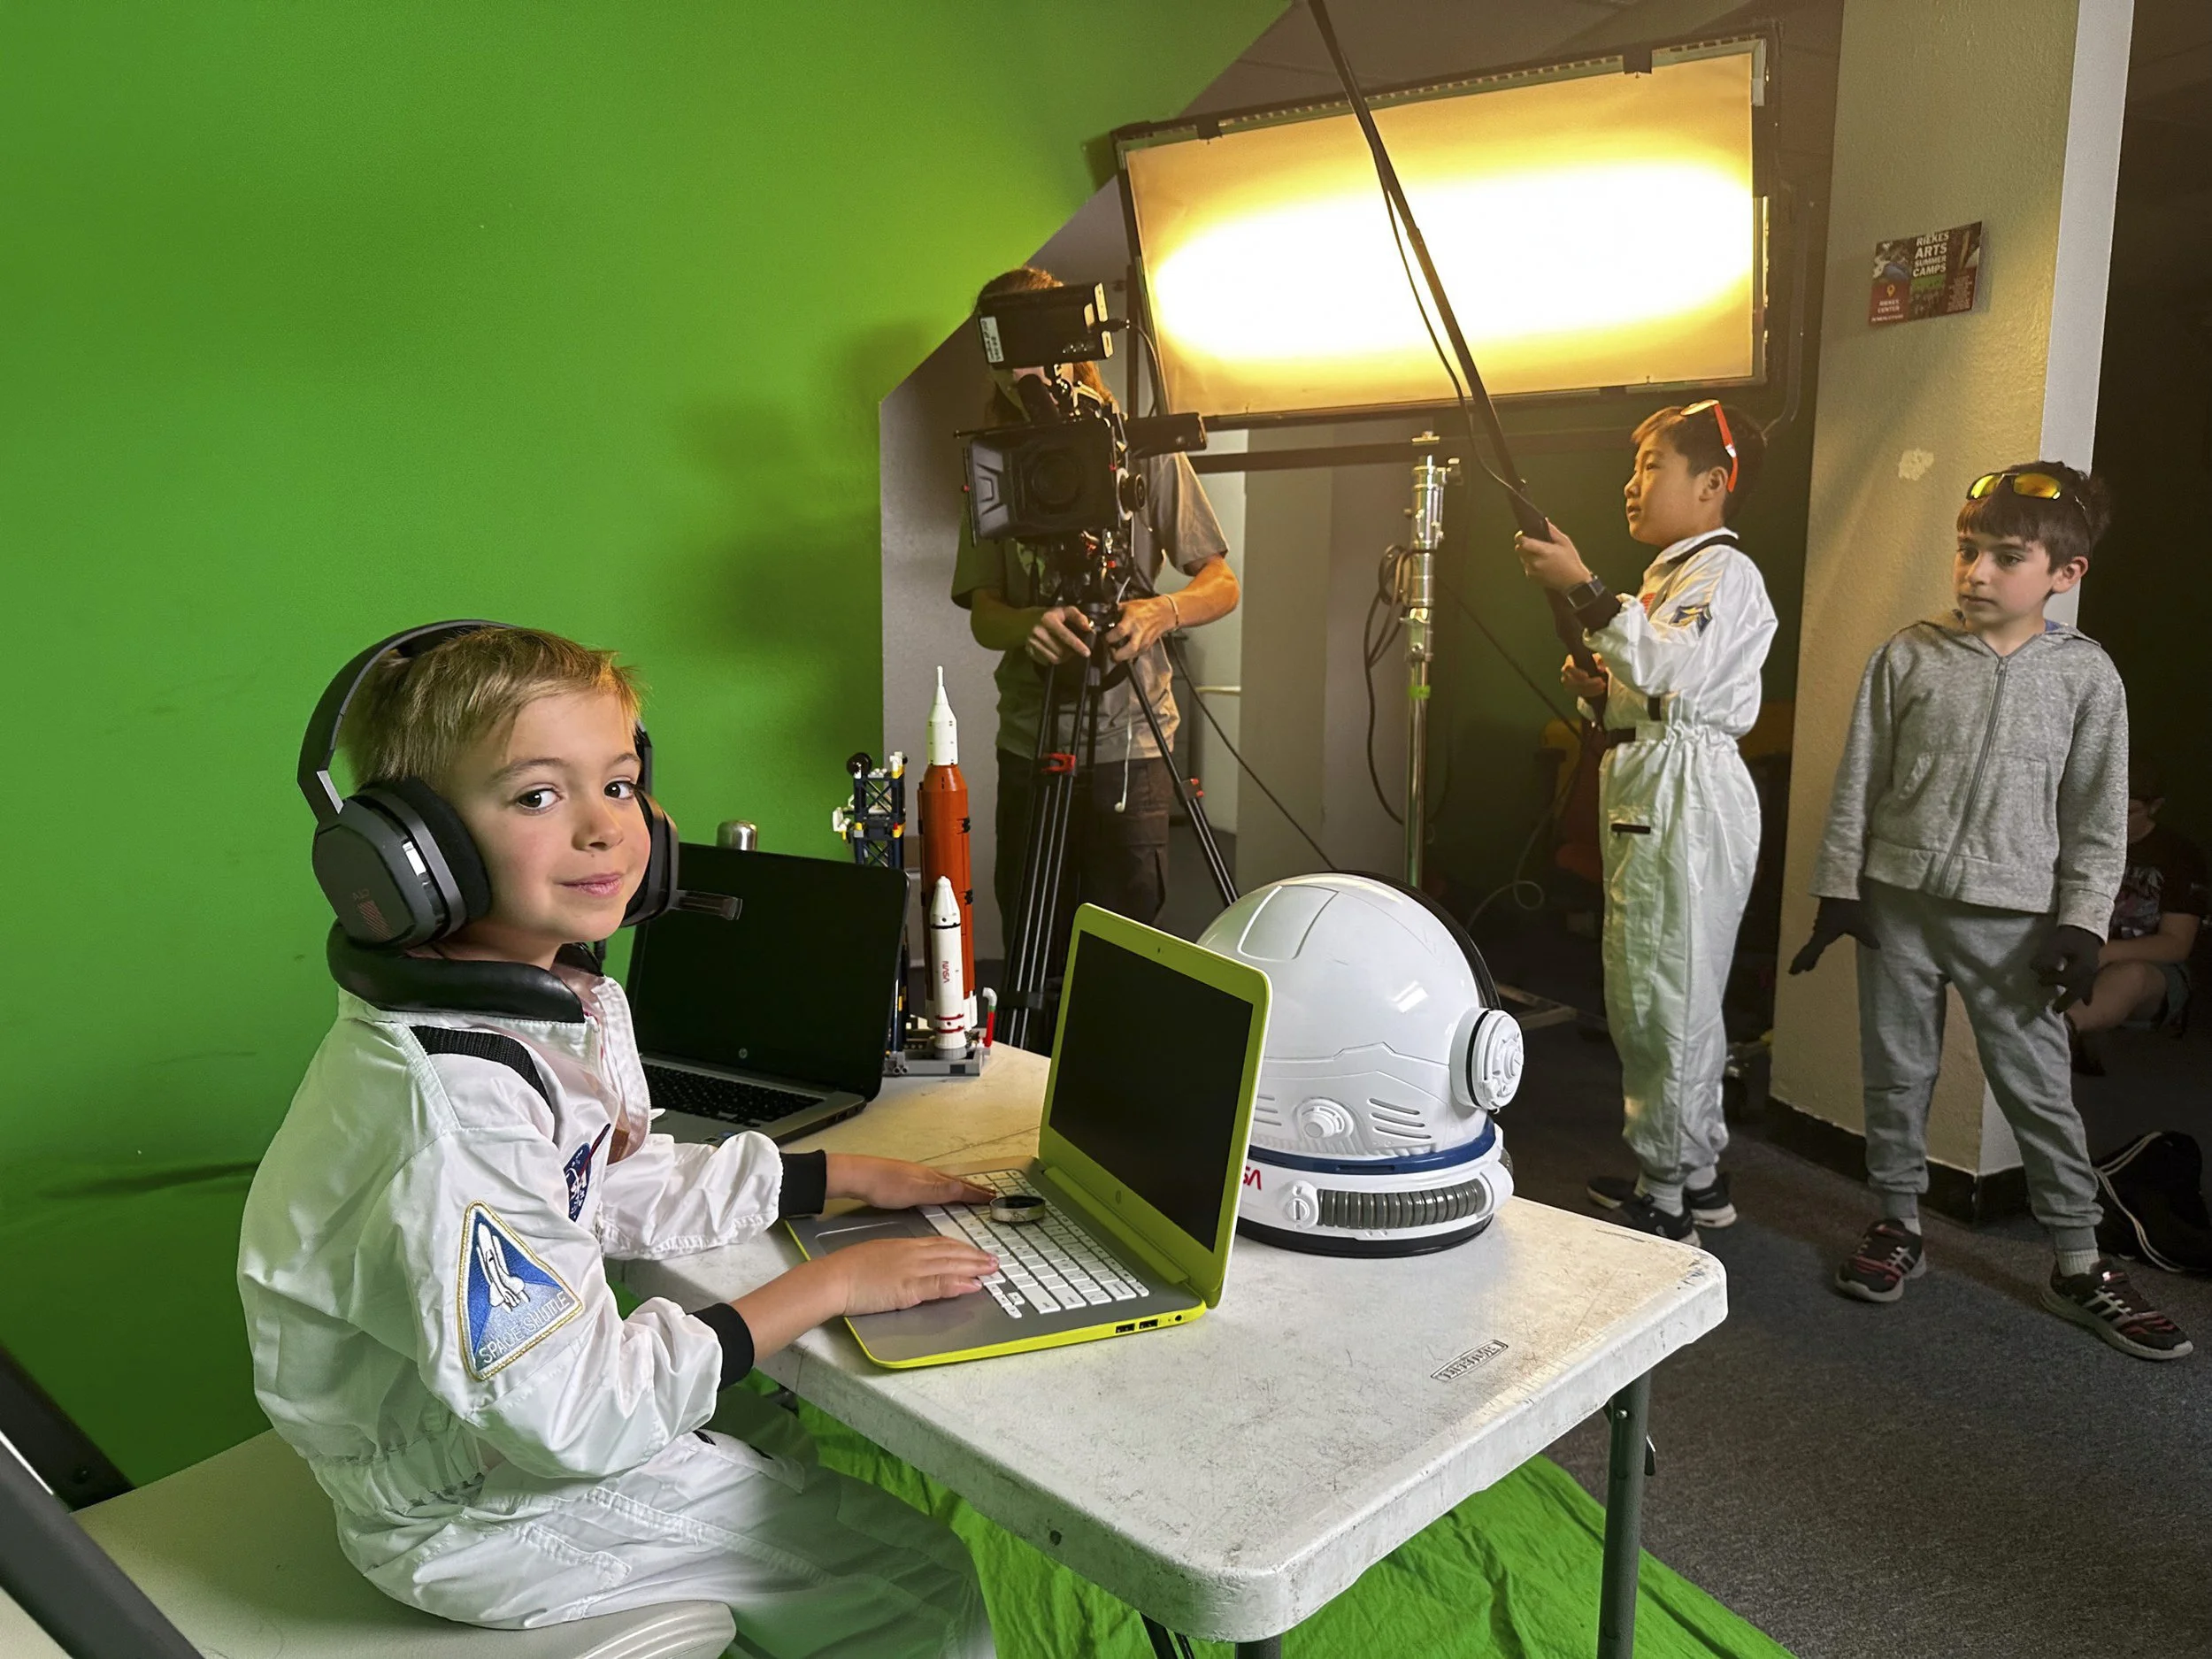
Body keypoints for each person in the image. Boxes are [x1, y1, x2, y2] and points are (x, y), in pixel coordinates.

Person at [239, 626, 1002, 1654]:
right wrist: (831, 1285)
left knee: (767, 1436)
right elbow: (579, 1414)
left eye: (620, 784)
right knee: (919, 1582)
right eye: (536, 796)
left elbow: (596, 1181)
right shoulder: (455, 1112)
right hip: (476, 1513)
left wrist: (826, 1177)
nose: (605, 828)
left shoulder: (524, 1006)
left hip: (499, 1440)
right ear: (413, 856)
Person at [1790, 462, 2191, 1361]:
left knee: (2037, 1089)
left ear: (2065, 573)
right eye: (1967, 550)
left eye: (2006, 557)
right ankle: (1897, 1220)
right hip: (1897, 906)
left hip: (2012, 923)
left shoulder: (2086, 678)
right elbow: (1858, 781)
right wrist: (1840, 887)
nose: (1976, 572)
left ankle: (2077, 1261)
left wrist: (2083, 921)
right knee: (1896, 1071)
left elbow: (2097, 815)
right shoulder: (1907, 655)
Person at [1515, 401, 1776, 1243]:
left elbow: (1674, 666)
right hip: (1658, 778)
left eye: (1652, 466)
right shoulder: (1676, 574)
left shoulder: (1721, 572)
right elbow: (1663, 682)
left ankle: (1664, 1199)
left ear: (1713, 483)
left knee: (1662, 992)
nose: (1632, 484)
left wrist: (1585, 589)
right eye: (1633, 468)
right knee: (1671, 985)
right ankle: (1696, 1174)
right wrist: (1607, 691)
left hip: (1681, 790)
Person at [950, 266, 1238, 993]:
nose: (1020, 373)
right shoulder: (992, 462)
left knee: (1127, 953)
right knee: (1034, 943)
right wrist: (1029, 624)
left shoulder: (1138, 446)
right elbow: (984, 610)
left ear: (1070, 348)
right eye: (1003, 354)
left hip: (1130, 745)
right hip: (1032, 739)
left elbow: (1221, 581)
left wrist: (1159, 611)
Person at [2066, 752, 2206, 1071]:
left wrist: (2104, 952)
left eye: (2129, 811)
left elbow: (2176, 944)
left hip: (2149, 968)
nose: (2116, 819)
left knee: (2131, 976)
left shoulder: (2178, 855)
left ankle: (2061, 1033)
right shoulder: (2085, 841)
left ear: (2155, 807)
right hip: (2077, 951)